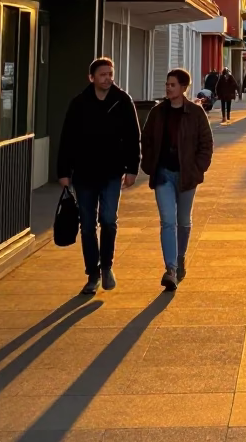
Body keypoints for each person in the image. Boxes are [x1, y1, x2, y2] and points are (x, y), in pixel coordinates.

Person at [57, 56, 140, 295]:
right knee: (87, 226)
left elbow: (133, 137)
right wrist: (63, 172)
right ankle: (92, 273)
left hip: (113, 172)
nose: (108, 78)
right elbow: (67, 139)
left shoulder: (122, 101)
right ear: (91, 77)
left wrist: (133, 168)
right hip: (84, 173)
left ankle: (107, 266)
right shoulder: (79, 103)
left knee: (108, 220)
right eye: (103, 74)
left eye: (110, 74)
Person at [140, 68, 214, 290]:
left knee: (183, 220)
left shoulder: (195, 113)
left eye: (172, 85)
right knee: (167, 221)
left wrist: (197, 168)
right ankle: (170, 269)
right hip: (163, 174)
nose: (168, 88)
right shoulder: (157, 112)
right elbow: (147, 140)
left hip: (186, 175)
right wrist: (149, 164)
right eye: (167, 84)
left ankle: (180, 256)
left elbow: (206, 144)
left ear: (183, 88)